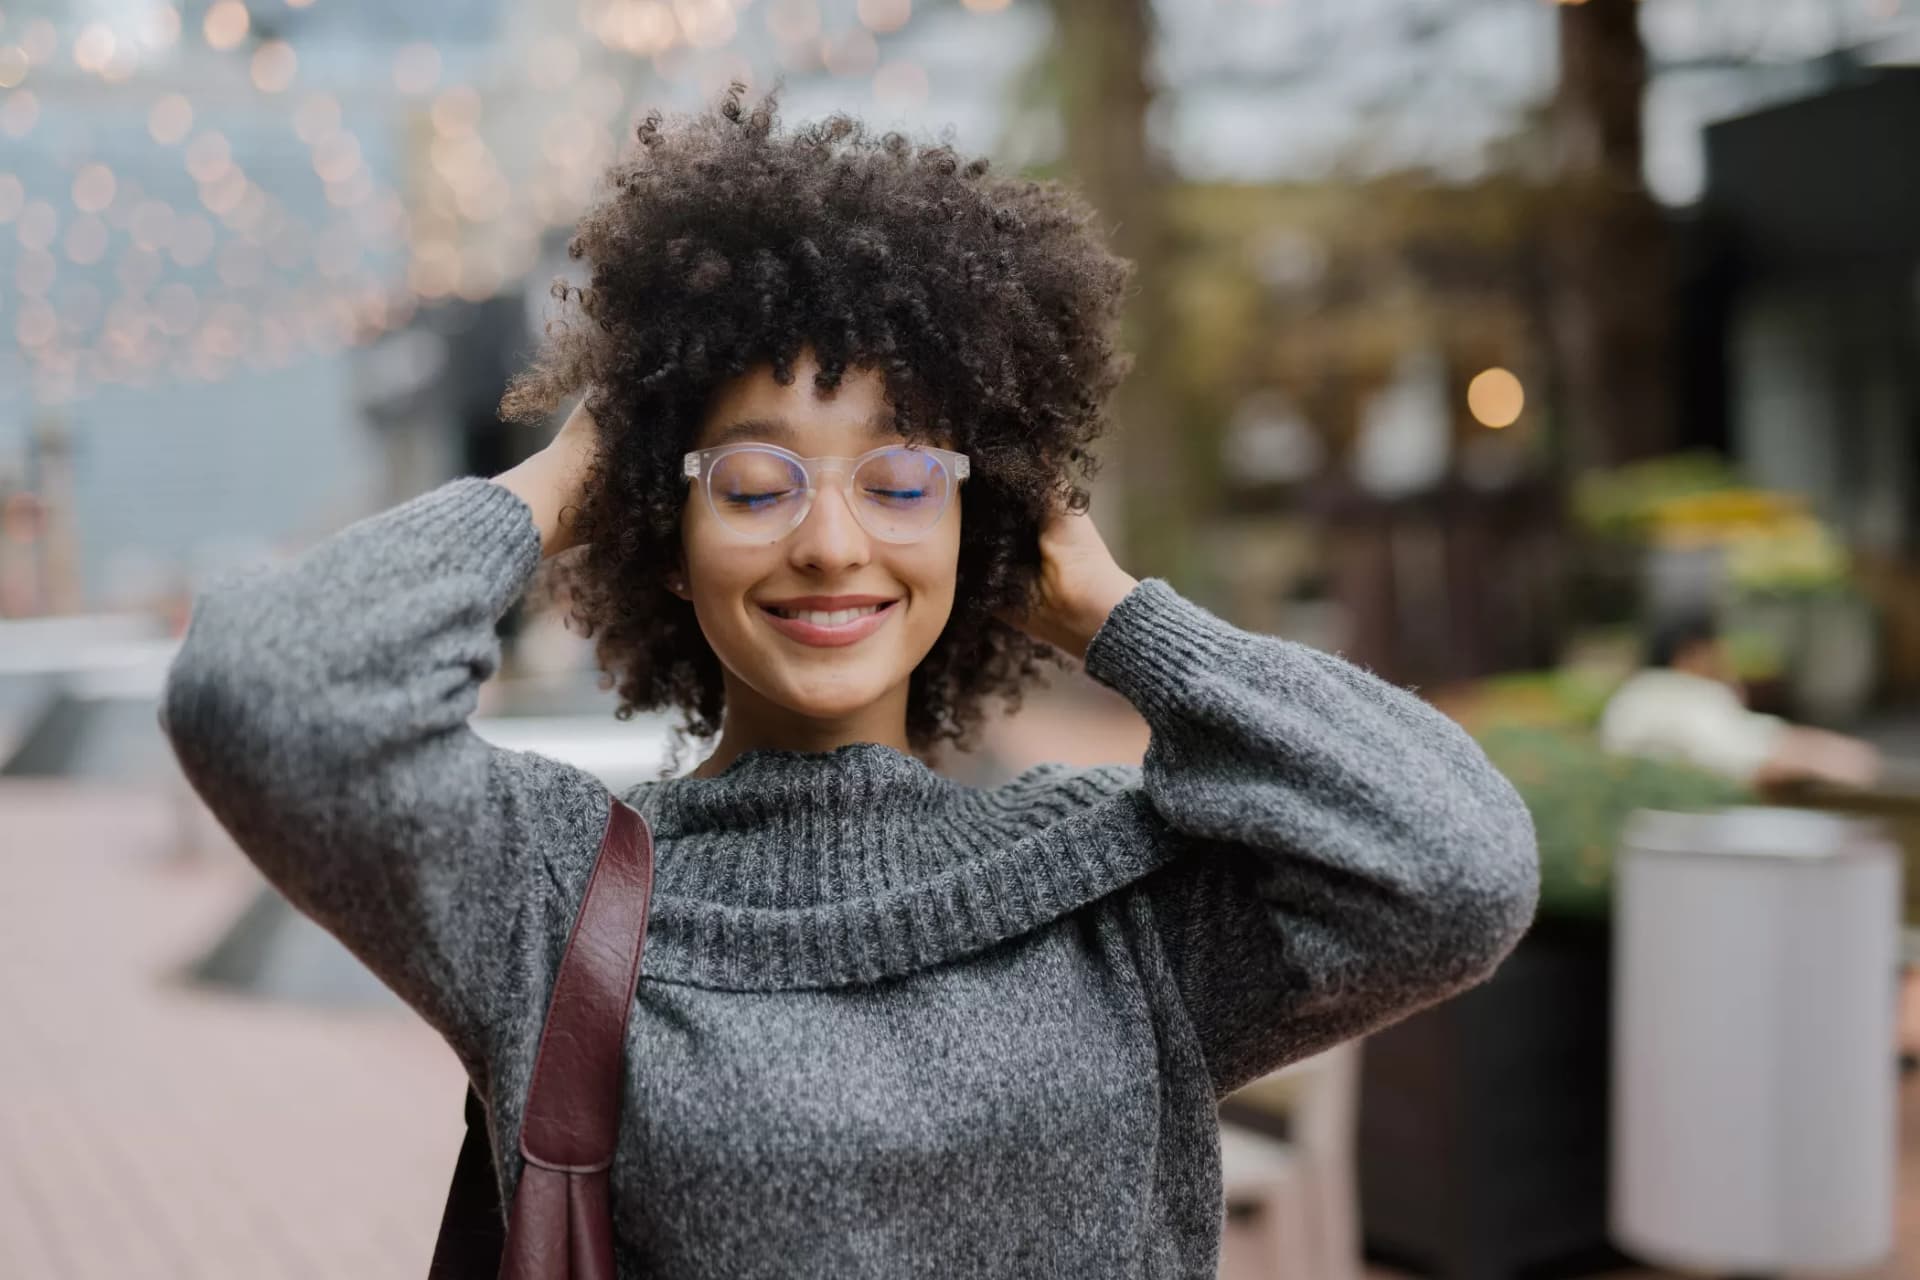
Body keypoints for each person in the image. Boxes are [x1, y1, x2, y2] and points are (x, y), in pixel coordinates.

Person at [159, 89, 1539, 1278]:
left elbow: (1455, 868)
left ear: (983, 516)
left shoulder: (1120, 896)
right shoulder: (544, 901)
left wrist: (1115, 612)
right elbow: (267, 700)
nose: (829, 542)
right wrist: (579, 465)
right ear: (668, 525)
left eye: (900, 477)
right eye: (756, 481)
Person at [1599, 611, 1883, 792]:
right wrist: (1826, 763)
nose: (1723, 659)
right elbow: (1743, 766)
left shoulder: (1633, 693)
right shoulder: (1689, 695)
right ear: (1690, 652)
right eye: (1715, 651)